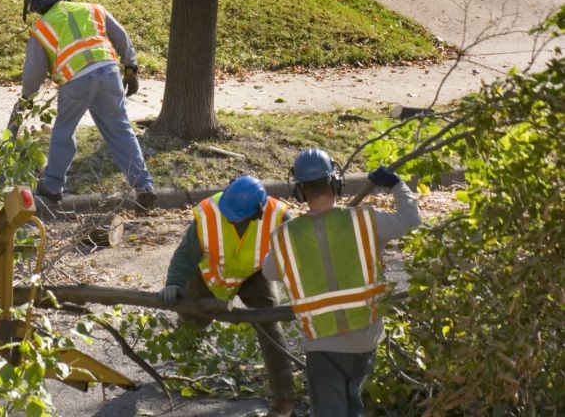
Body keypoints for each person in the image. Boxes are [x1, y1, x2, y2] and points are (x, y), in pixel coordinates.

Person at [262, 148, 422, 417]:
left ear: (299, 191)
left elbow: (269, 273)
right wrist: (396, 185)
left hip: (321, 341)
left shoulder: (285, 236)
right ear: (336, 183)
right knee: (352, 406)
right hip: (366, 336)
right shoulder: (364, 221)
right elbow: (411, 220)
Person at [158, 175, 297, 416]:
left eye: (237, 218)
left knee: (269, 323)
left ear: (258, 212)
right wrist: (173, 284)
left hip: (254, 274)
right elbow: (185, 255)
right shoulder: (209, 212)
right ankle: (185, 349)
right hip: (211, 274)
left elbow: (301, 251)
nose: (231, 220)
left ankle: (284, 398)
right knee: (194, 319)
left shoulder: (278, 216)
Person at [14, 0, 155, 210]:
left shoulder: (41, 28)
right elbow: (121, 37)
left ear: (36, 4)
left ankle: (52, 186)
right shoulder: (93, 9)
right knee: (121, 130)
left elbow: (33, 72)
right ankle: (144, 186)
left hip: (76, 81)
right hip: (109, 73)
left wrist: (27, 97)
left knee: (64, 132)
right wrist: (130, 66)